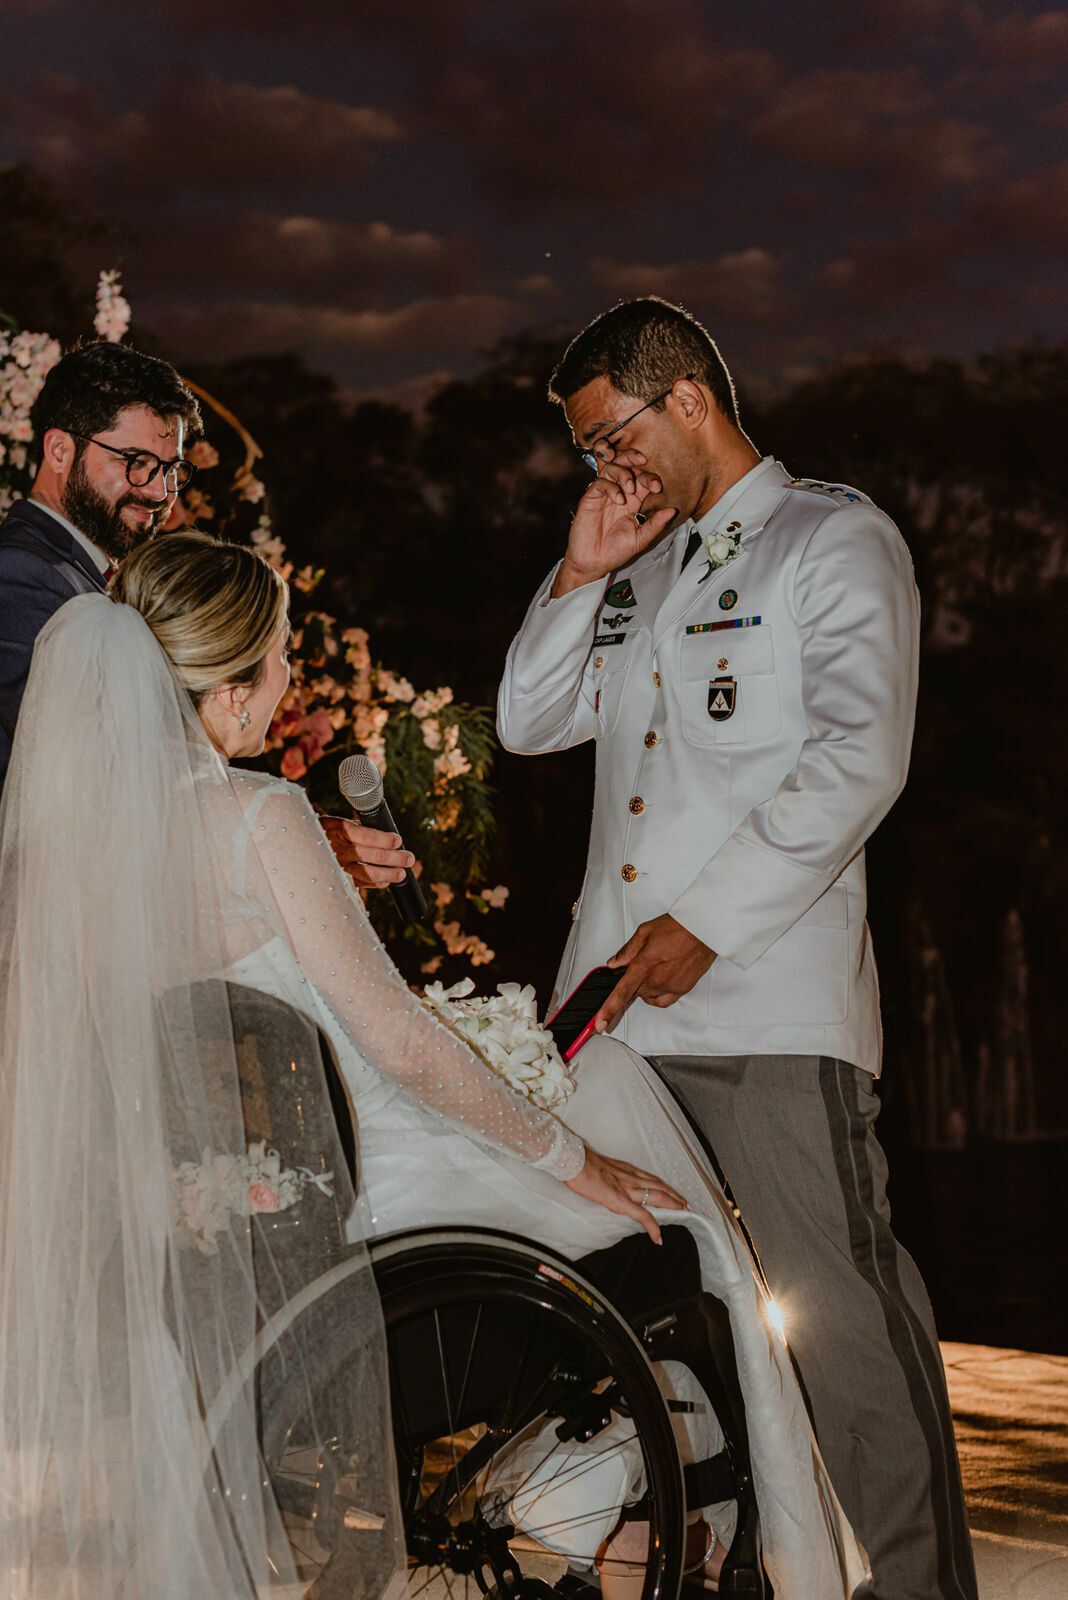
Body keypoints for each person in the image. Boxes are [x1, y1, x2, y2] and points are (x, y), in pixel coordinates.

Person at [0, 531, 863, 1598]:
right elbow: (399, 1040)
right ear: (227, 691)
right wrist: (571, 1160)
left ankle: (608, 1512)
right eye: (280, 656)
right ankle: (648, 1519)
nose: (289, 679)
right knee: (670, 1209)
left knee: (607, 1116)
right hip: (375, 1215)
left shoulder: (68, 860)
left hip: (224, 1240)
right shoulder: (260, 815)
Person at [497, 297, 977, 1600]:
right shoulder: (638, 562)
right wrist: (580, 568)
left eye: (614, 437)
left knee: (840, 1312)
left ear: (689, 399)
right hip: (619, 1021)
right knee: (674, 1322)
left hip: (765, 999)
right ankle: (745, 1569)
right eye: (589, 451)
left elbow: (860, 757)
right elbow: (529, 721)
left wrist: (705, 926)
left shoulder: (832, 538)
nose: (608, 467)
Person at [0, 339, 201, 792]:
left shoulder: (86, 575)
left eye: (171, 469)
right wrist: (268, 820)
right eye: (136, 462)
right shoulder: (16, 573)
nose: (159, 492)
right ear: (59, 451)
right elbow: (93, 771)